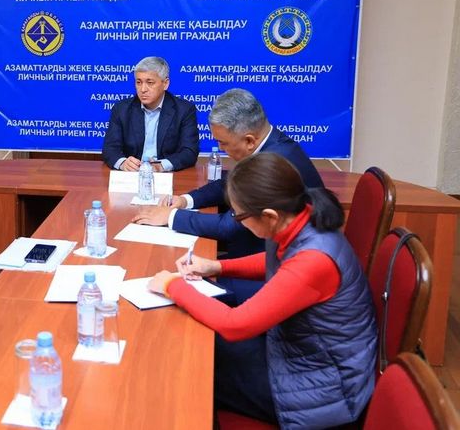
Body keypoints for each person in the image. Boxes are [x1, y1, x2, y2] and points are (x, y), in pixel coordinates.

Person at [148, 153, 377, 429]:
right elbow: (277, 261)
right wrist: (216, 266)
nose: (237, 221)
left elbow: (235, 325)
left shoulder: (314, 260)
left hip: (324, 390)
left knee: (193, 370)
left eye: (239, 216)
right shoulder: (299, 214)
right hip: (298, 353)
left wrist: (172, 286)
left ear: (268, 216)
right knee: (196, 343)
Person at [133, 88, 323, 257]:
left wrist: (171, 217)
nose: (221, 149)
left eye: (223, 143)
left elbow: (230, 226)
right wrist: (185, 200)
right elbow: (229, 183)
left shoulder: (275, 162)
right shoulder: (268, 143)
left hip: (271, 259)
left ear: (249, 141)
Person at [101, 56, 199, 172]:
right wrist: (123, 163)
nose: (143, 89)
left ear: (165, 83)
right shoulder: (121, 109)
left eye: (150, 82)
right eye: (139, 82)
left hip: (167, 175)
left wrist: (162, 165)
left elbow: (189, 152)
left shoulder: (184, 110)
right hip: (132, 174)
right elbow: (110, 148)